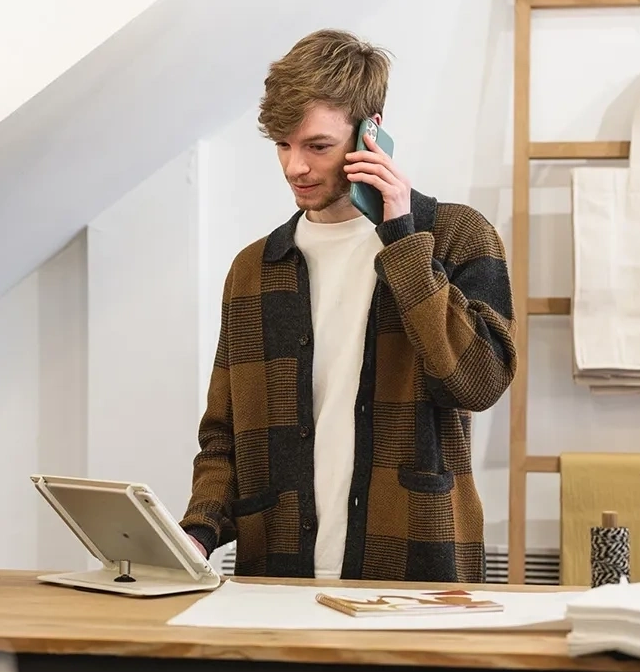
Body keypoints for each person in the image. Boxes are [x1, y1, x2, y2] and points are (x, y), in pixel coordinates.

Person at [180, 29, 517, 584]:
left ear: (370, 133)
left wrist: (404, 240)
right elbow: (225, 435)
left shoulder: (456, 237)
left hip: (414, 567)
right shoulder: (254, 268)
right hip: (278, 575)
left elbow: (478, 384)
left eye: (317, 146)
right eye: (283, 146)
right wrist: (198, 532)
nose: (295, 168)